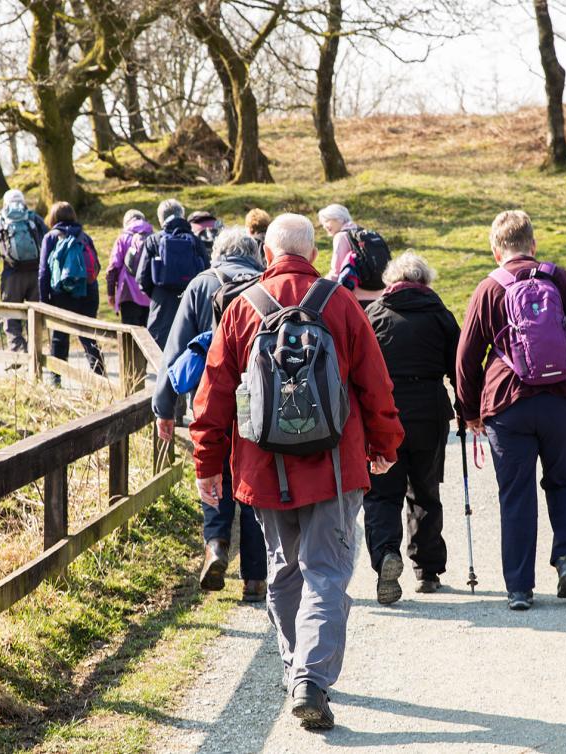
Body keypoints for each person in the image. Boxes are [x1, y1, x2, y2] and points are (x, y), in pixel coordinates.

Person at [190, 214, 403, 730]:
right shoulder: (342, 303)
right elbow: (375, 384)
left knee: (284, 571)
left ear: (267, 253)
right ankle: (310, 679)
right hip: (333, 465)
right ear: (311, 253)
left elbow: (214, 393)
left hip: (263, 468)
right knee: (326, 571)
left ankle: (294, 670)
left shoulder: (243, 308)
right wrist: (385, 444)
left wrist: (207, 464)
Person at [456, 210, 566, 611]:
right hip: (563, 400)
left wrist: (469, 410)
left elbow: (467, 356)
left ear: (495, 251)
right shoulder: (559, 279)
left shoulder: (489, 289)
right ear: (533, 244)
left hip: (508, 406)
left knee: (516, 495)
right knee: (564, 481)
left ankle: (520, 588)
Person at [155, 227, 267, 603]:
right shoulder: (263, 284)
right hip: (256, 401)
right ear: (254, 253)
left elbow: (174, 351)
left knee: (212, 471)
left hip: (209, 398)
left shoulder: (201, 284)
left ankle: (216, 545)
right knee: (251, 481)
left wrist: (164, 406)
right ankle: (256, 579)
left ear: (216, 252)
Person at [363, 252, 460, 604]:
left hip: (383, 416)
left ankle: (387, 555)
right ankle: (428, 569)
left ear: (391, 281)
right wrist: (466, 408)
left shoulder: (373, 315)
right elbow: (458, 368)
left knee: (381, 493)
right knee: (425, 491)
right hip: (429, 414)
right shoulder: (440, 315)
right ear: (425, 281)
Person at [38, 201, 105, 383]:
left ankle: (56, 380)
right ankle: (101, 380)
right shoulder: (84, 236)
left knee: (59, 337)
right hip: (88, 292)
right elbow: (96, 265)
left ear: (53, 217)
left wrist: (44, 301)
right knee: (89, 336)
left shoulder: (50, 237)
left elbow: (44, 270)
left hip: (61, 294)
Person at [137, 199, 211, 348]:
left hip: (161, 305)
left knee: (160, 355)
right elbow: (206, 272)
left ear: (161, 219)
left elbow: (142, 278)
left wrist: (157, 293)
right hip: (190, 303)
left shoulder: (153, 240)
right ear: (182, 215)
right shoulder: (195, 242)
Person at [0, 189, 48, 351]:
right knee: (34, 314)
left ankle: (18, 350)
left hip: (11, 275)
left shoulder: (2, 221)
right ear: (23, 202)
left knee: (10, 313)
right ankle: (35, 351)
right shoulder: (33, 218)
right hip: (36, 273)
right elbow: (48, 240)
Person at [318, 203, 385, 307]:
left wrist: (319, 284)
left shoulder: (341, 236)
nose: (324, 226)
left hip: (357, 297)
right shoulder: (362, 232)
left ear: (338, 218)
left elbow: (336, 273)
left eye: (327, 221)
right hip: (380, 292)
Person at [106, 209, 153, 326]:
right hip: (150, 293)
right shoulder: (153, 237)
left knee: (129, 337)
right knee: (149, 337)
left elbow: (113, 268)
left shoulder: (123, 238)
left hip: (128, 294)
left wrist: (110, 293)